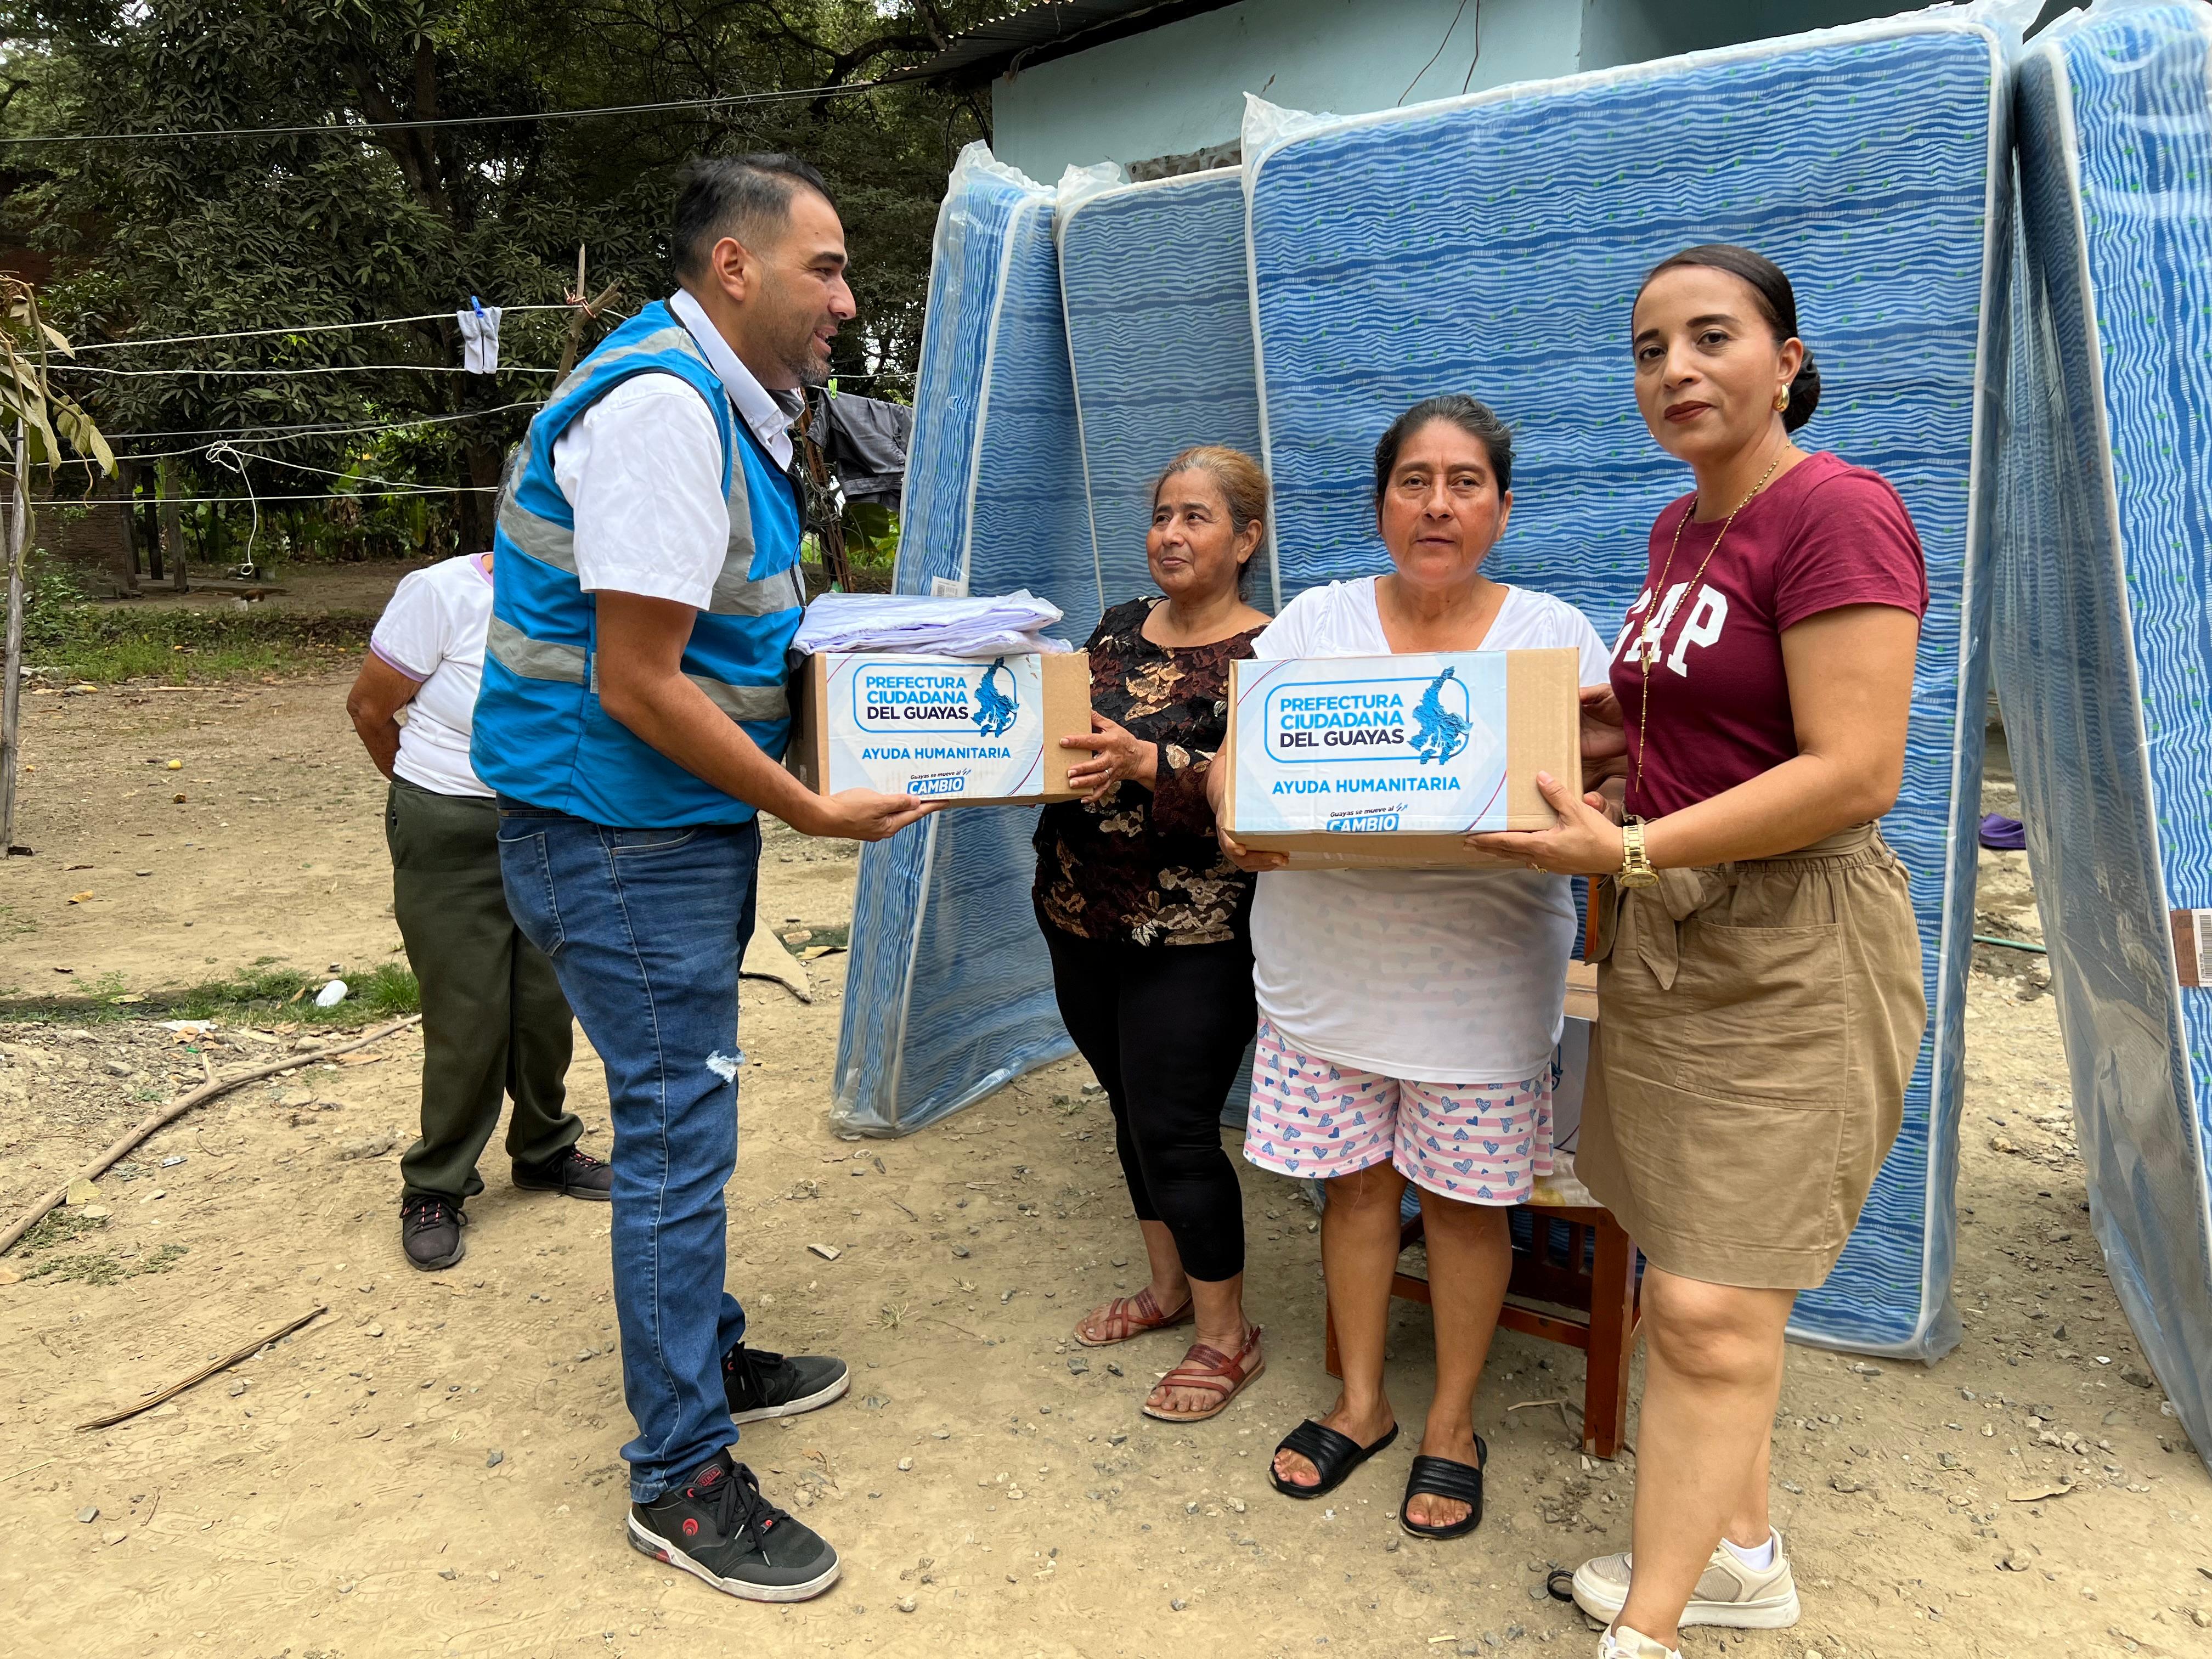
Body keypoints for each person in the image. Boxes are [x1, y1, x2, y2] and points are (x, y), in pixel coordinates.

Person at [469, 154, 934, 1605]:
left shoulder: (721, 403)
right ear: (736, 267)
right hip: (619, 835)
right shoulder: (666, 409)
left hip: (661, 828)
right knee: (679, 1135)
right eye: (827, 268)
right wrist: (811, 807)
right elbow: (637, 679)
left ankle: (705, 1350)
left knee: (694, 1114)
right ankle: (681, 1475)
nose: (845, 301)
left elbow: (728, 634)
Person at [1471, 245, 1927, 1659]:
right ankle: (1741, 1556)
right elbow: (1695, 718)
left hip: (1792, 944)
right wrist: (1573, 743)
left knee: (1712, 1306)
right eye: (1649, 347)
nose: (1675, 369)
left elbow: (1854, 771)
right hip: (1676, 932)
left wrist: (1630, 852)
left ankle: (1652, 1633)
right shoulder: (1683, 528)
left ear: (1786, 361)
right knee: (1695, 1274)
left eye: (1712, 337)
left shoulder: (1839, 512)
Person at [1212, 397, 1610, 1539]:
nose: (1438, 505)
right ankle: (1363, 1402)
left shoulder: (1553, 639)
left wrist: (1599, 818)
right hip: (1325, 977)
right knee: (1354, 1191)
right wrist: (1233, 813)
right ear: (1382, 503)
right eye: (1414, 482)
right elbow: (1239, 759)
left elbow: (1605, 780)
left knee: (1468, 1206)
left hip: (1479, 986)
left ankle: (1451, 1422)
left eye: (1465, 482)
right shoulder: (1316, 622)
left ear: (1503, 508)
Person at [1036, 446, 1273, 1422]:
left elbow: (1265, 794)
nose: (1170, 536)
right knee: (1128, 1108)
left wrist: (1147, 763)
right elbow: (1058, 737)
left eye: (1195, 518)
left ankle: (1228, 1335)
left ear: (1246, 539)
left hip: (1193, 934)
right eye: (1162, 516)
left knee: (1177, 1128)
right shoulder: (1116, 626)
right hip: (1076, 911)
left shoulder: (1272, 654)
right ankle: (1169, 1291)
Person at [346, 549, 595, 1273]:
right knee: (469, 1014)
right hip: (449, 827)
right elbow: (369, 708)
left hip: (554, 822)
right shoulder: (443, 593)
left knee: (546, 1004)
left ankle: (545, 1150)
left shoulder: (603, 594)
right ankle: (436, 1184)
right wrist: (434, 790)